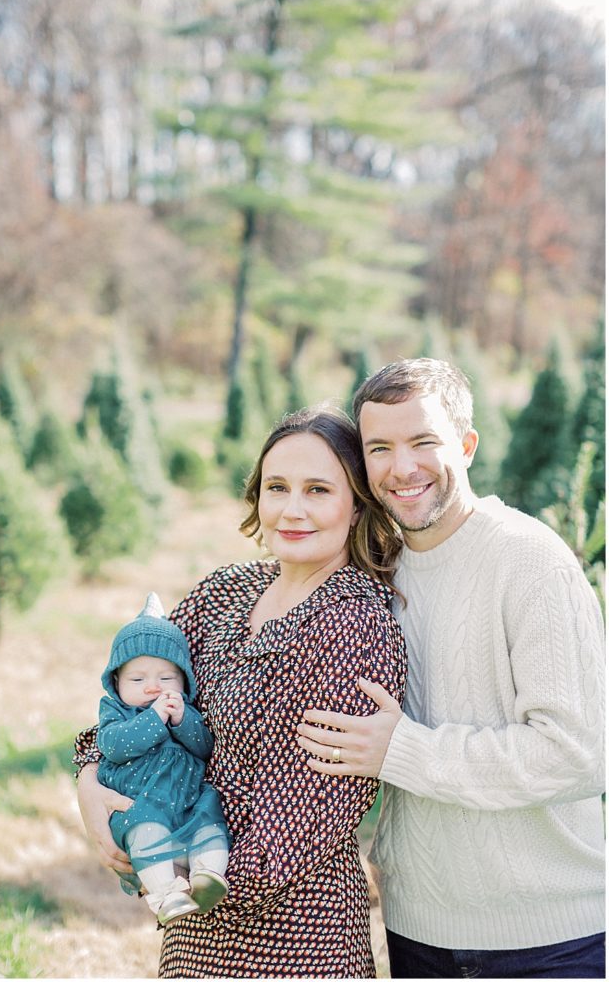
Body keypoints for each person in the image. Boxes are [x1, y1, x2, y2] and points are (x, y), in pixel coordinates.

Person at [296, 358, 606, 979]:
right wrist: (98, 773)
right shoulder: (373, 573)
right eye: (380, 447)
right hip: (417, 928)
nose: (402, 468)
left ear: (465, 445)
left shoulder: (527, 560)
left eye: (423, 442)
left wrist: (403, 751)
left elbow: (577, 753)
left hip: (546, 940)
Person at [74, 405, 407, 978]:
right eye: (277, 487)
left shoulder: (354, 625)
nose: (292, 509)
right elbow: (121, 706)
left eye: (318, 489)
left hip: (294, 939)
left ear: (357, 506)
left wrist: (156, 861)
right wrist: (89, 788)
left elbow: (302, 819)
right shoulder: (224, 592)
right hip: (190, 935)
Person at [95, 592, 231, 926]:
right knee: (146, 830)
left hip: (188, 799)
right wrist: (155, 718)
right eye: (138, 679)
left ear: (184, 681)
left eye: (166, 678)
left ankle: (208, 873)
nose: (153, 687)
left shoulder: (184, 710)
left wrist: (183, 719)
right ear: (116, 682)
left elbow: (205, 747)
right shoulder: (115, 711)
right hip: (143, 802)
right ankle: (165, 894)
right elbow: (114, 746)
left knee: (210, 821)